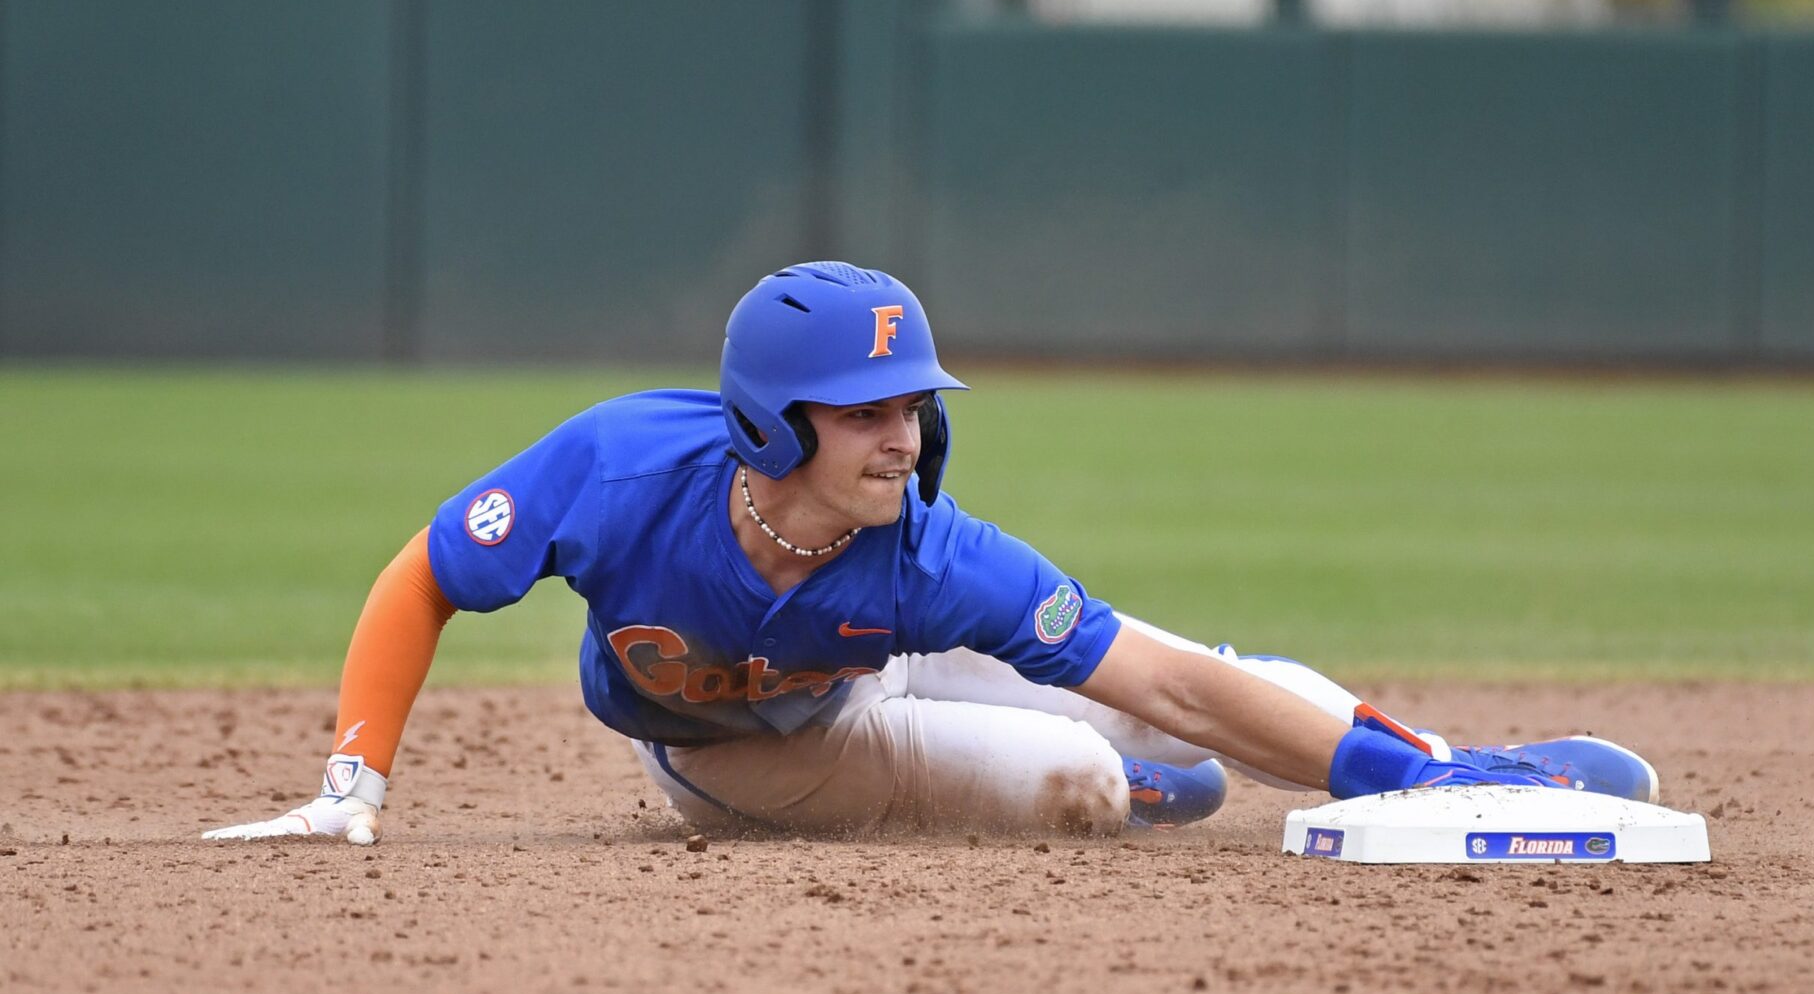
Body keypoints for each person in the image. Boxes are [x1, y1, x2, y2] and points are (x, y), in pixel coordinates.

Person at [203, 262, 1656, 846]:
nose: (906, 434)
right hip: (737, 757)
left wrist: (1416, 785)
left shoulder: (925, 550)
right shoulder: (620, 470)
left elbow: (1151, 663)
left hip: (875, 650)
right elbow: (426, 576)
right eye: (871, 409)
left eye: (916, 403)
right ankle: (1105, 771)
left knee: (1174, 691)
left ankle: (1424, 751)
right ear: (777, 423)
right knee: (1085, 787)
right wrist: (354, 776)